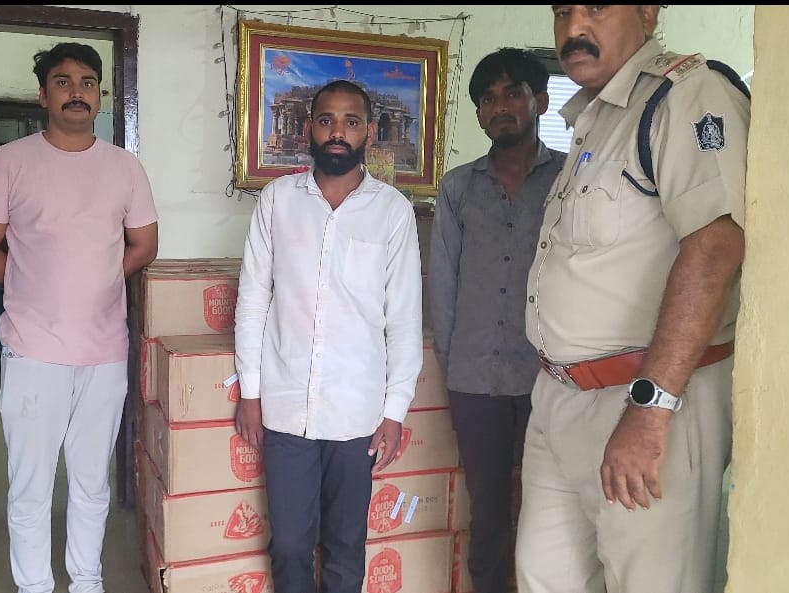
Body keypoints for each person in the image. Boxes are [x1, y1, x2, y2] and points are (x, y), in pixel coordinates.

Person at [516, 6, 750, 593]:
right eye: (562, 11)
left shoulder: (686, 96)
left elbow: (716, 245)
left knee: (650, 582)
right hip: (559, 397)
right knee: (543, 577)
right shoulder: (594, 117)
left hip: (646, 402)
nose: (573, 27)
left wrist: (650, 409)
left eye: (596, 7)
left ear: (647, 12)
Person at [0, 42, 158, 593]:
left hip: (104, 351)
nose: (77, 92)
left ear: (100, 94)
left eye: (88, 82)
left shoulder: (124, 167)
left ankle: (87, 581)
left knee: (92, 483)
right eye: (64, 82)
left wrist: (101, 278)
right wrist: (31, 287)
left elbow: (144, 245)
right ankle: (34, 586)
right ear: (43, 95)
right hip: (33, 351)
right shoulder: (10, 162)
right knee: (31, 486)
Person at [234, 79, 423, 593]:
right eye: (326, 121)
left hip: (358, 412)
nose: (338, 132)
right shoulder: (277, 200)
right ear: (308, 129)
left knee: (344, 546)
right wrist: (250, 393)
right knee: (291, 545)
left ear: (369, 133)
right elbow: (252, 301)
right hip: (285, 405)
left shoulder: (392, 211)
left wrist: (395, 411)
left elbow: (403, 318)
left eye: (351, 122)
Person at [428, 48, 565, 593]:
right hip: (476, 381)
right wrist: (455, 365)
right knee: (486, 512)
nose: (500, 107)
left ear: (541, 101)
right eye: (488, 99)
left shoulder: (570, 179)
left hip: (552, 378)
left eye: (513, 93)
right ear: (479, 114)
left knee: (550, 509)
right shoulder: (458, 188)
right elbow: (443, 284)